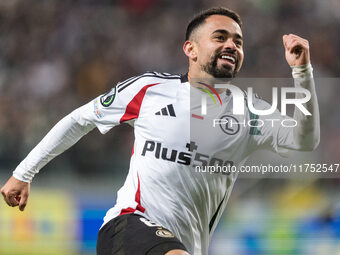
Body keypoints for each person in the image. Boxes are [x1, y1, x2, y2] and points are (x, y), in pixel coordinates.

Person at [1, 7, 319, 255]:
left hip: (185, 245)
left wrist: (302, 73)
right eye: (220, 37)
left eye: (238, 41)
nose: (231, 45)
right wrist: (24, 172)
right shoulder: (150, 89)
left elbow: (305, 140)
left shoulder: (250, 111)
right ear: (191, 49)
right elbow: (79, 120)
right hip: (127, 226)